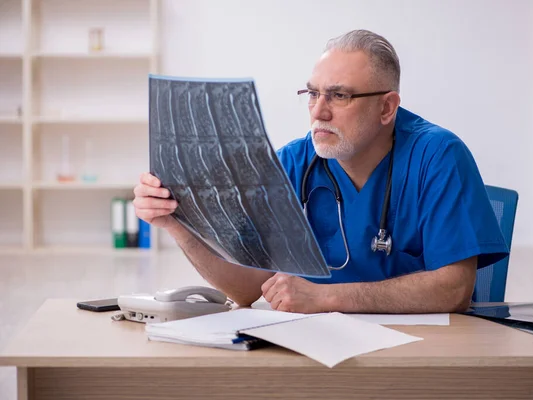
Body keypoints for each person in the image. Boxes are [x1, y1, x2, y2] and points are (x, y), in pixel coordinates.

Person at [133, 29, 508, 314]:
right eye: (312, 94)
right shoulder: (294, 164)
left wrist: (327, 296)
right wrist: (176, 225)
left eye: (339, 95)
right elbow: (246, 288)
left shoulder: (438, 156)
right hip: (321, 355)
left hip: (423, 357)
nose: (319, 110)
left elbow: (454, 290)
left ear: (386, 108)